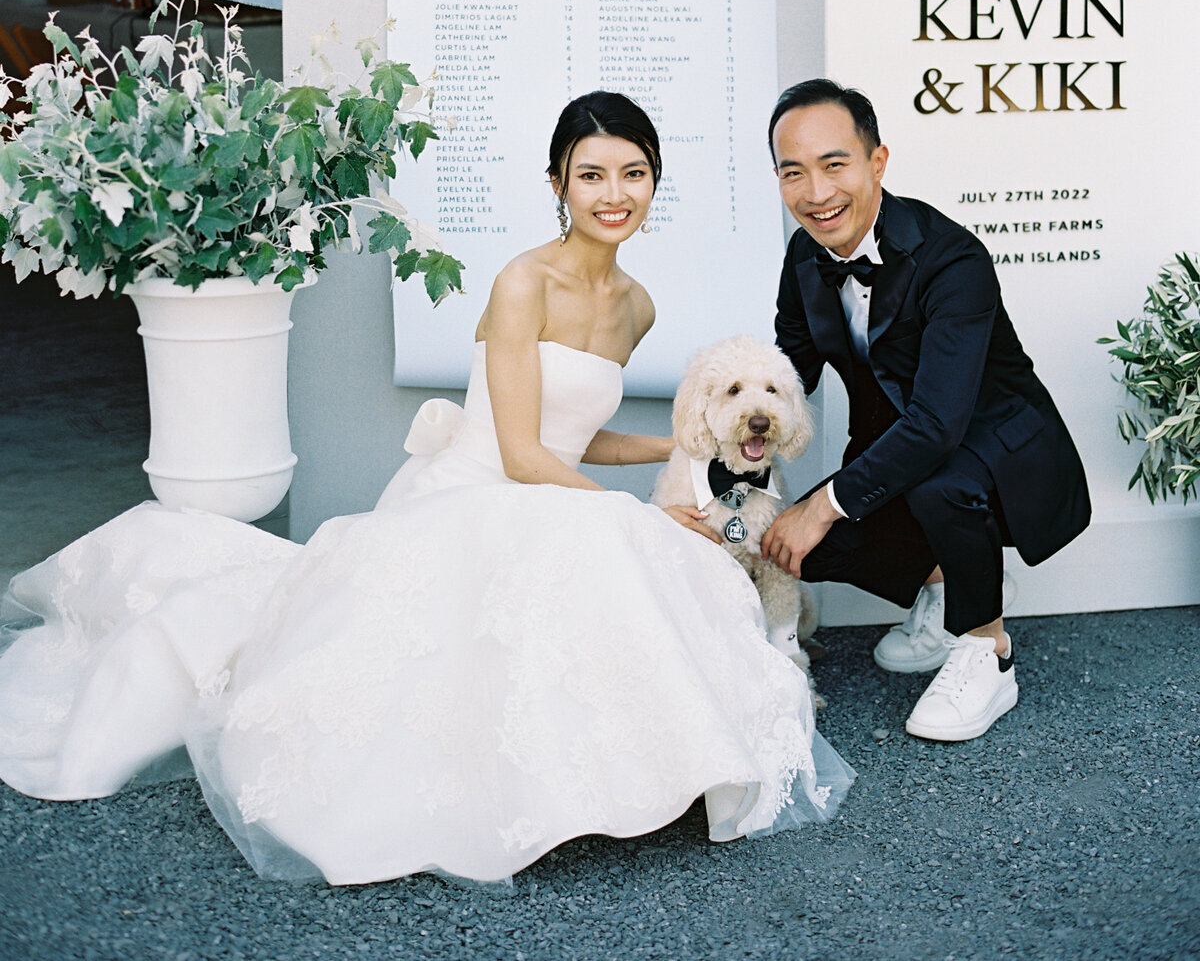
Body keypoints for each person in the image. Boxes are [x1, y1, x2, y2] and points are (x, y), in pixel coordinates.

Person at [0, 91, 852, 885]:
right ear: (557, 183)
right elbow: (521, 450)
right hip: (478, 490)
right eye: (591, 175)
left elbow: (574, 432)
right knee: (605, 570)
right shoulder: (523, 282)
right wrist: (644, 517)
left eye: (633, 174)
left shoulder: (638, 307)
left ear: (654, 182)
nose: (613, 194)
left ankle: (634, 775)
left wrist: (679, 442)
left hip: (549, 491)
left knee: (646, 572)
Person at [760, 79, 1090, 743]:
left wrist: (820, 504)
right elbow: (788, 371)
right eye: (794, 172)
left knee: (923, 486)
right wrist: (724, 457)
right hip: (905, 450)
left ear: (877, 162)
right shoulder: (805, 255)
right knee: (787, 542)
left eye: (834, 165)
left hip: (998, 453)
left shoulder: (953, 259)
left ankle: (986, 646)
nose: (816, 193)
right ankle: (949, 586)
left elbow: (939, 424)